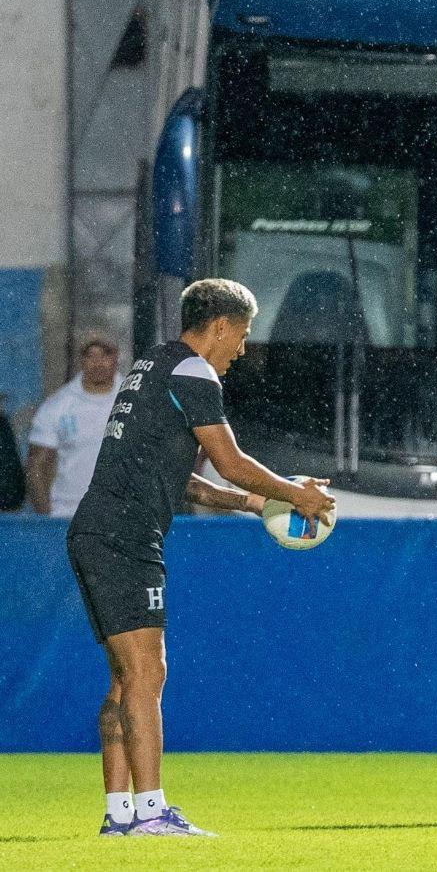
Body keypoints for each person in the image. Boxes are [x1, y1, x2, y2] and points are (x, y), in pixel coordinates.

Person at [66, 278, 335, 837]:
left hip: (99, 531)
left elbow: (184, 477)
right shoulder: (194, 371)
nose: (242, 347)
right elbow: (229, 460)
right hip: (124, 537)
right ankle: (152, 812)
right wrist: (296, 493)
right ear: (220, 326)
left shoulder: (154, 365)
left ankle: (120, 815)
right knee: (148, 671)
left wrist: (253, 502)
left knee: (123, 680)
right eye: (242, 333)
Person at [27, 336, 122, 517]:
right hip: (67, 515)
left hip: (120, 517)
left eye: (105, 355)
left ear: (116, 357)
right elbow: (36, 465)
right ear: (82, 360)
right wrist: (47, 518)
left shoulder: (136, 401)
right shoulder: (57, 406)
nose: (98, 363)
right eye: (91, 356)